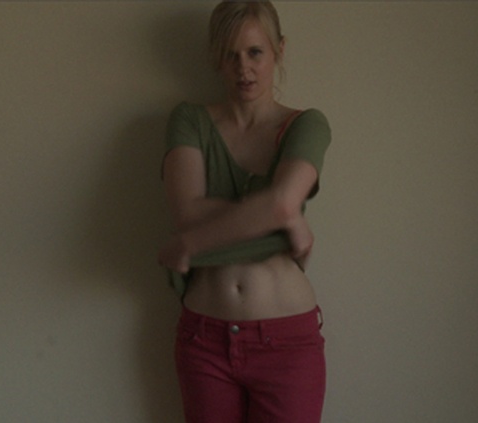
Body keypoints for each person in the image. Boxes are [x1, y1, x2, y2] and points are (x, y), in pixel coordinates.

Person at [158, 1, 331, 422]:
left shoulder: (306, 124)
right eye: (230, 55)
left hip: (287, 343)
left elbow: (282, 201)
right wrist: (282, 221)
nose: (243, 68)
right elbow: (187, 212)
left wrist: (191, 244)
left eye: (255, 52)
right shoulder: (189, 120)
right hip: (205, 341)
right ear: (216, 58)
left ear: (279, 50)